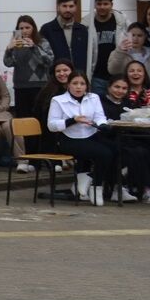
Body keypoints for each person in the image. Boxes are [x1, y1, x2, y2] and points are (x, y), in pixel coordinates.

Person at [97, 77, 150, 203]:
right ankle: (139, 189)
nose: (120, 91)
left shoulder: (127, 103)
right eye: (117, 87)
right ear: (109, 87)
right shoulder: (100, 102)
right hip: (108, 138)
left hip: (126, 137)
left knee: (146, 150)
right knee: (133, 153)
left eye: (124, 88)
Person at [45, 72, 111, 206]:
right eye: (75, 83)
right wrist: (73, 120)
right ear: (68, 85)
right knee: (104, 153)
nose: (79, 87)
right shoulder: (58, 100)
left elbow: (99, 116)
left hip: (91, 135)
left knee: (116, 149)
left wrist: (102, 124)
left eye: (82, 84)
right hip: (69, 139)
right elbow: (52, 125)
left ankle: (92, 181)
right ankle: (94, 184)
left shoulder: (94, 97)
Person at [4, 14, 54, 125]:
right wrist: (9, 49)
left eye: (27, 27)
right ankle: (26, 143)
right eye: (21, 28)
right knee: (24, 121)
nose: (24, 31)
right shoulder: (17, 44)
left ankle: (40, 142)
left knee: (40, 119)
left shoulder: (42, 42)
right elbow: (8, 63)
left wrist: (34, 47)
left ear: (33, 28)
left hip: (39, 86)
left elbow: (49, 61)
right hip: (21, 87)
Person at [38, 0, 90, 77]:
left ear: (76, 8)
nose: (68, 10)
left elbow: (89, 56)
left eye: (71, 6)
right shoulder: (47, 29)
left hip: (78, 79)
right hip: (55, 79)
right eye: (64, 6)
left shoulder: (83, 30)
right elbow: (41, 55)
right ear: (58, 7)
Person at [90, 0, 124, 79]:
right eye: (99, 4)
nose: (102, 7)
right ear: (94, 5)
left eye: (105, 4)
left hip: (117, 75)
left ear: (111, 5)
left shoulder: (122, 21)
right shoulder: (87, 24)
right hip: (96, 76)